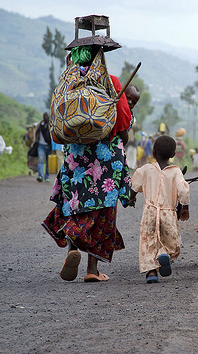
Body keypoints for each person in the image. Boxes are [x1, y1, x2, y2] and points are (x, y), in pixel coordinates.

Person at [42, 44, 139, 283]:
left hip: (76, 157)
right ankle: (92, 270)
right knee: (102, 211)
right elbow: (123, 123)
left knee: (74, 204)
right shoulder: (112, 82)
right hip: (105, 159)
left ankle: (72, 248)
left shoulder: (67, 83)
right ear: (100, 58)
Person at [129, 135, 190, 283]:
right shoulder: (176, 172)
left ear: (153, 153)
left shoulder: (146, 169)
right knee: (172, 242)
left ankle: (151, 273)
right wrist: (185, 207)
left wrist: (131, 198)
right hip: (168, 213)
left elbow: (134, 185)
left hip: (149, 211)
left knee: (148, 242)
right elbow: (183, 190)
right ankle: (164, 254)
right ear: (173, 155)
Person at [35, 112, 52, 182]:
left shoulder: (51, 125)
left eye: (47, 116)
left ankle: (47, 176)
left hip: (49, 146)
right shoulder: (40, 125)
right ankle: (40, 176)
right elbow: (36, 133)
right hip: (41, 146)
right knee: (41, 161)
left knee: (48, 162)